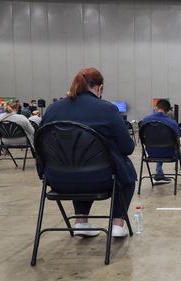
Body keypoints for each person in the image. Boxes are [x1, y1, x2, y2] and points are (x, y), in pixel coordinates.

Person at [40, 67, 136, 238]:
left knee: (78, 166)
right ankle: (117, 224)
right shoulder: (107, 109)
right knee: (126, 175)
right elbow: (127, 148)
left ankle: (81, 222)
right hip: (100, 179)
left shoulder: (53, 109)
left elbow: (39, 146)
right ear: (100, 88)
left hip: (58, 180)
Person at [143, 99, 181, 186]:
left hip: (150, 152)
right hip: (169, 153)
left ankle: (158, 175)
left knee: (159, 144)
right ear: (168, 110)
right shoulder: (172, 123)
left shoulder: (145, 120)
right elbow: (177, 141)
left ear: (156, 107)